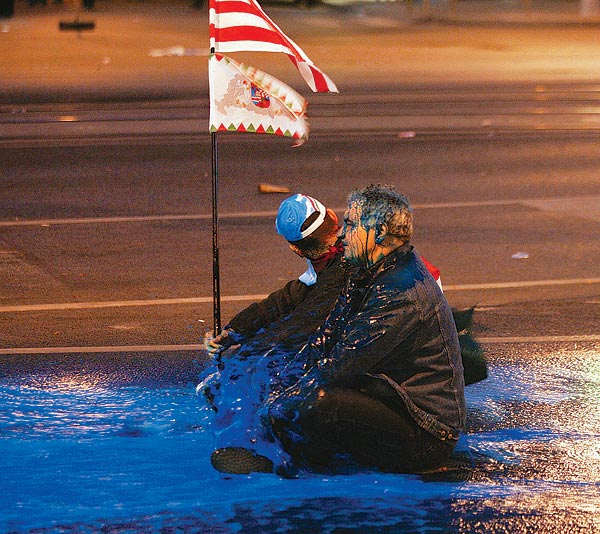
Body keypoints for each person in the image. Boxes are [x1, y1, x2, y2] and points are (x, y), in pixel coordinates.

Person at [256, 185, 466, 475]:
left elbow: (342, 364)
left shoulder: (401, 290)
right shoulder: (368, 269)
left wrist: (279, 406)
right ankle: (293, 448)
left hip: (426, 433)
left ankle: (293, 462)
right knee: (297, 387)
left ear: (378, 233)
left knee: (319, 403)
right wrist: (279, 379)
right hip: (390, 399)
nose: (342, 233)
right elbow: (327, 338)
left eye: (352, 225)